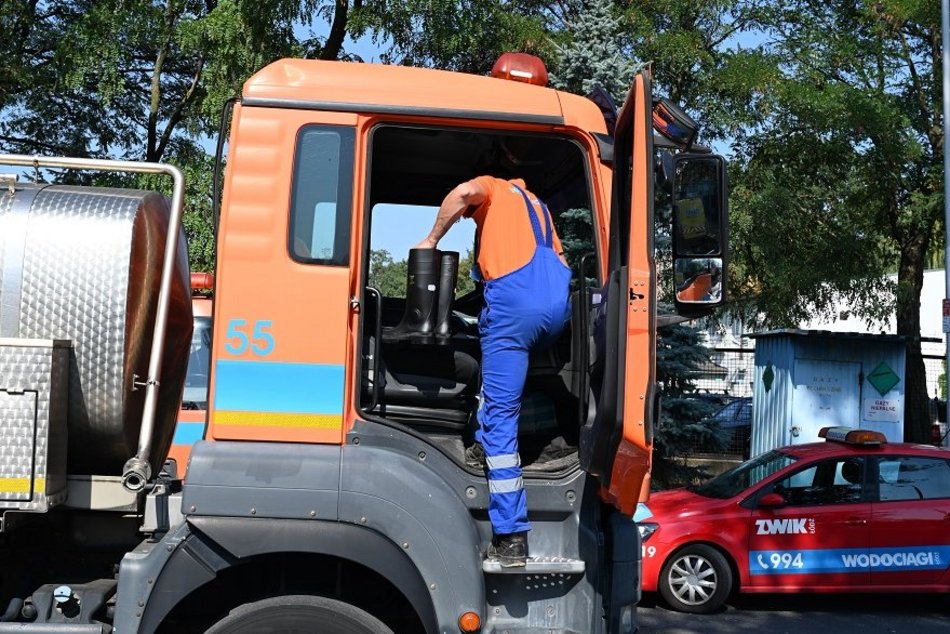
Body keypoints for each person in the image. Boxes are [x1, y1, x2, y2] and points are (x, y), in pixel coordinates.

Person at [414, 175, 571, 566]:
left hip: (516, 306)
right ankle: (512, 439)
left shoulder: (493, 188)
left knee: (501, 416)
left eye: (470, 218)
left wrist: (431, 240)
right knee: (506, 379)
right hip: (556, 307)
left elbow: (463, 193)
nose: (470, 218)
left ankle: (511, 535)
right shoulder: (535, 204)